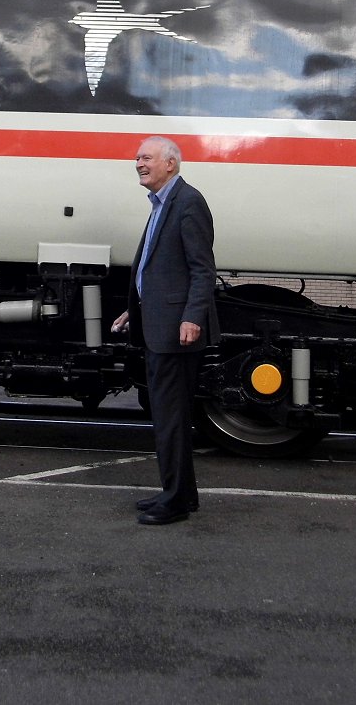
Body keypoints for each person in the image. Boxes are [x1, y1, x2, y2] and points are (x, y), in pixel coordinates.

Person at [112, 136, 219, 526]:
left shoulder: (188, 202)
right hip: (158, 324)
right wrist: (133, 309)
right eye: (137, 156)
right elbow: (158, 270)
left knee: (171, 419)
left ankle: (174, 502)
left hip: (176, 331)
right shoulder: (161, 204)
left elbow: (201, 268)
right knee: (168, 417)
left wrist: (192, 316)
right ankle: (182, 494)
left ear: (170, 164)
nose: (138, 162)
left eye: (146, 157)